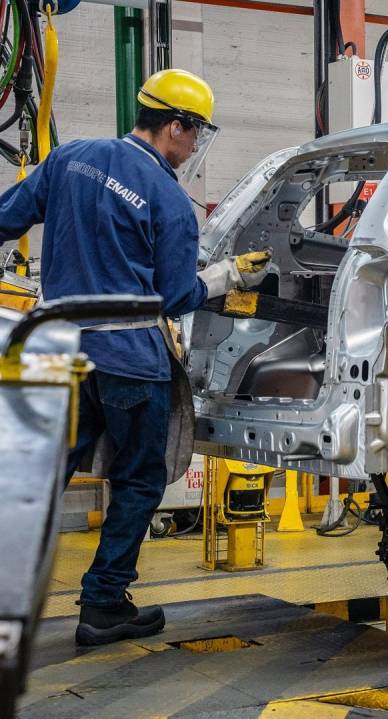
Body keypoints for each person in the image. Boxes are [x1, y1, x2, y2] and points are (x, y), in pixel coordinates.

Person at [0, 69, 270, 646]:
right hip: (127, 356)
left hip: (58, 352)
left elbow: (5, 217)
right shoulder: (170, 201)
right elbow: (174, 296)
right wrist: (224, 275)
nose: (195, 145)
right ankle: (103, 605)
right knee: (140, 479)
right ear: (175, 126)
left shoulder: (71, 158)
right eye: (195, 132)